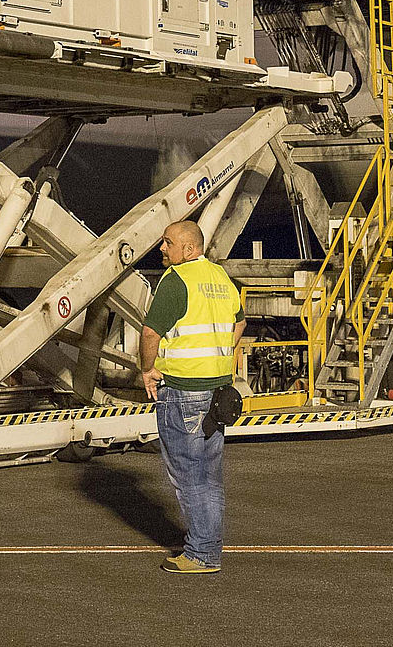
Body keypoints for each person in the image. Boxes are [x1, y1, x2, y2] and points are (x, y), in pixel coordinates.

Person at [138, 220, 244, 575]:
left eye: (168, 243)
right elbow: (239, 322)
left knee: (189, 477)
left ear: (189, 249)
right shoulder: (220, 277)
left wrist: (147, 368)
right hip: (216, 392)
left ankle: (201, 554)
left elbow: (151, 331)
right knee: (209, 475)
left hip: (183, 393)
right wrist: (221, 352)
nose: (162, 249)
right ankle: (209, 548)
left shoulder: (176, 281)